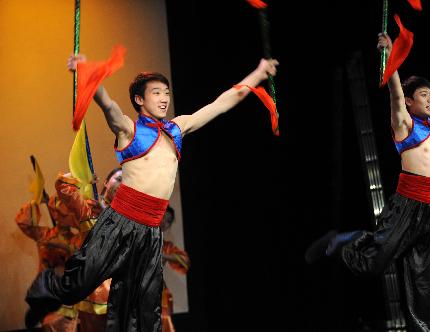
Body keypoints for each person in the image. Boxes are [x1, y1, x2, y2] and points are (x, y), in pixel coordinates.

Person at [24, 54, 278, 331]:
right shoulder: (130, 130)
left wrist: (259, 72)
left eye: (166, 93)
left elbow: (224, 102)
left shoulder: (177, 128)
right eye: (156, 93)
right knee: (78, 284)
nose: (164, 98)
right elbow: (108, 106)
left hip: (150, 233)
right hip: (118, 225)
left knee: (144, 312)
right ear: (139, 100)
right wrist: (87, 74)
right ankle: (42, 292)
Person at [305, 32, 430, 332]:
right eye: (423, 94)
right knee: (374, 264)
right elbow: (395, 94)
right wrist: (391, 59)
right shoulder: (404, 124)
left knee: (429, 280)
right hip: (407, 206)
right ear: (410, 101)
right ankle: (340, 241)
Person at [18, 168, 122, 331]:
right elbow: (64, 189)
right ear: (106, 183)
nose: (62, 213)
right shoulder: (88, 210)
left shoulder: (127, 218)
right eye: (119, 179)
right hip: (87, 293)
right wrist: (80, 179)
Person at [159, 206, 190, 332]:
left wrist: (164, 255)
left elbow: (185, 261)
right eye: (164, 218)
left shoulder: (165, 246)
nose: (165, 223)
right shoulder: (140, 236)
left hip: (158, 294)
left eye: (169, 221)